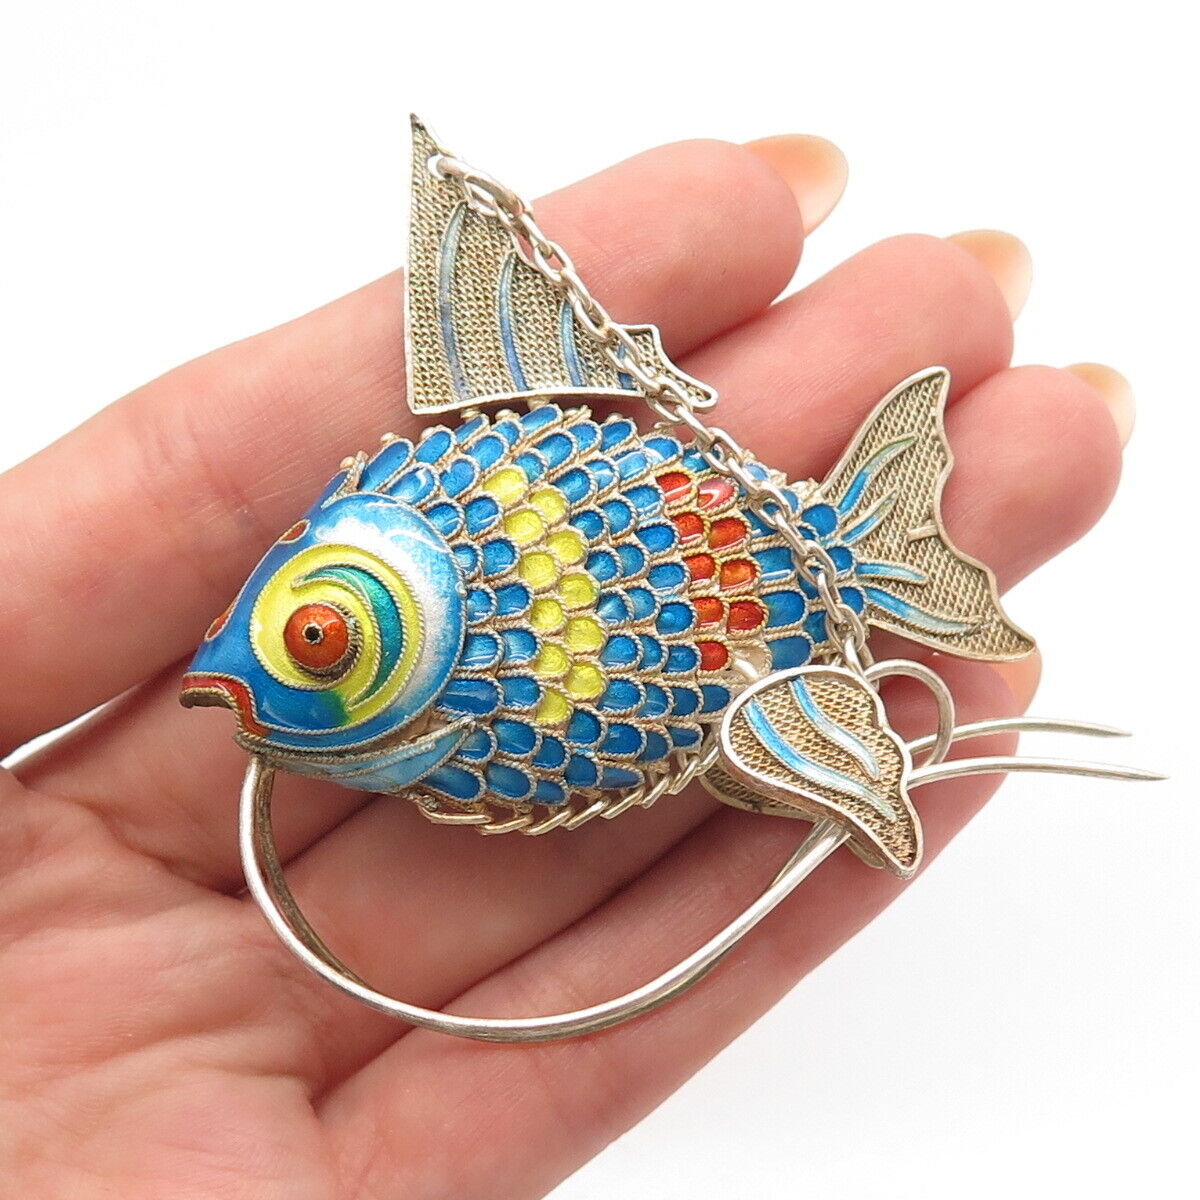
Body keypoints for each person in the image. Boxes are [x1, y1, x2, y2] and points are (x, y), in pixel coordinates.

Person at [0, 133, 1131, 1197]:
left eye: (312, 639)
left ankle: (862, 582)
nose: (243, 670)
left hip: (720, 639)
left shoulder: (430, 549)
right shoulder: (384, 623)